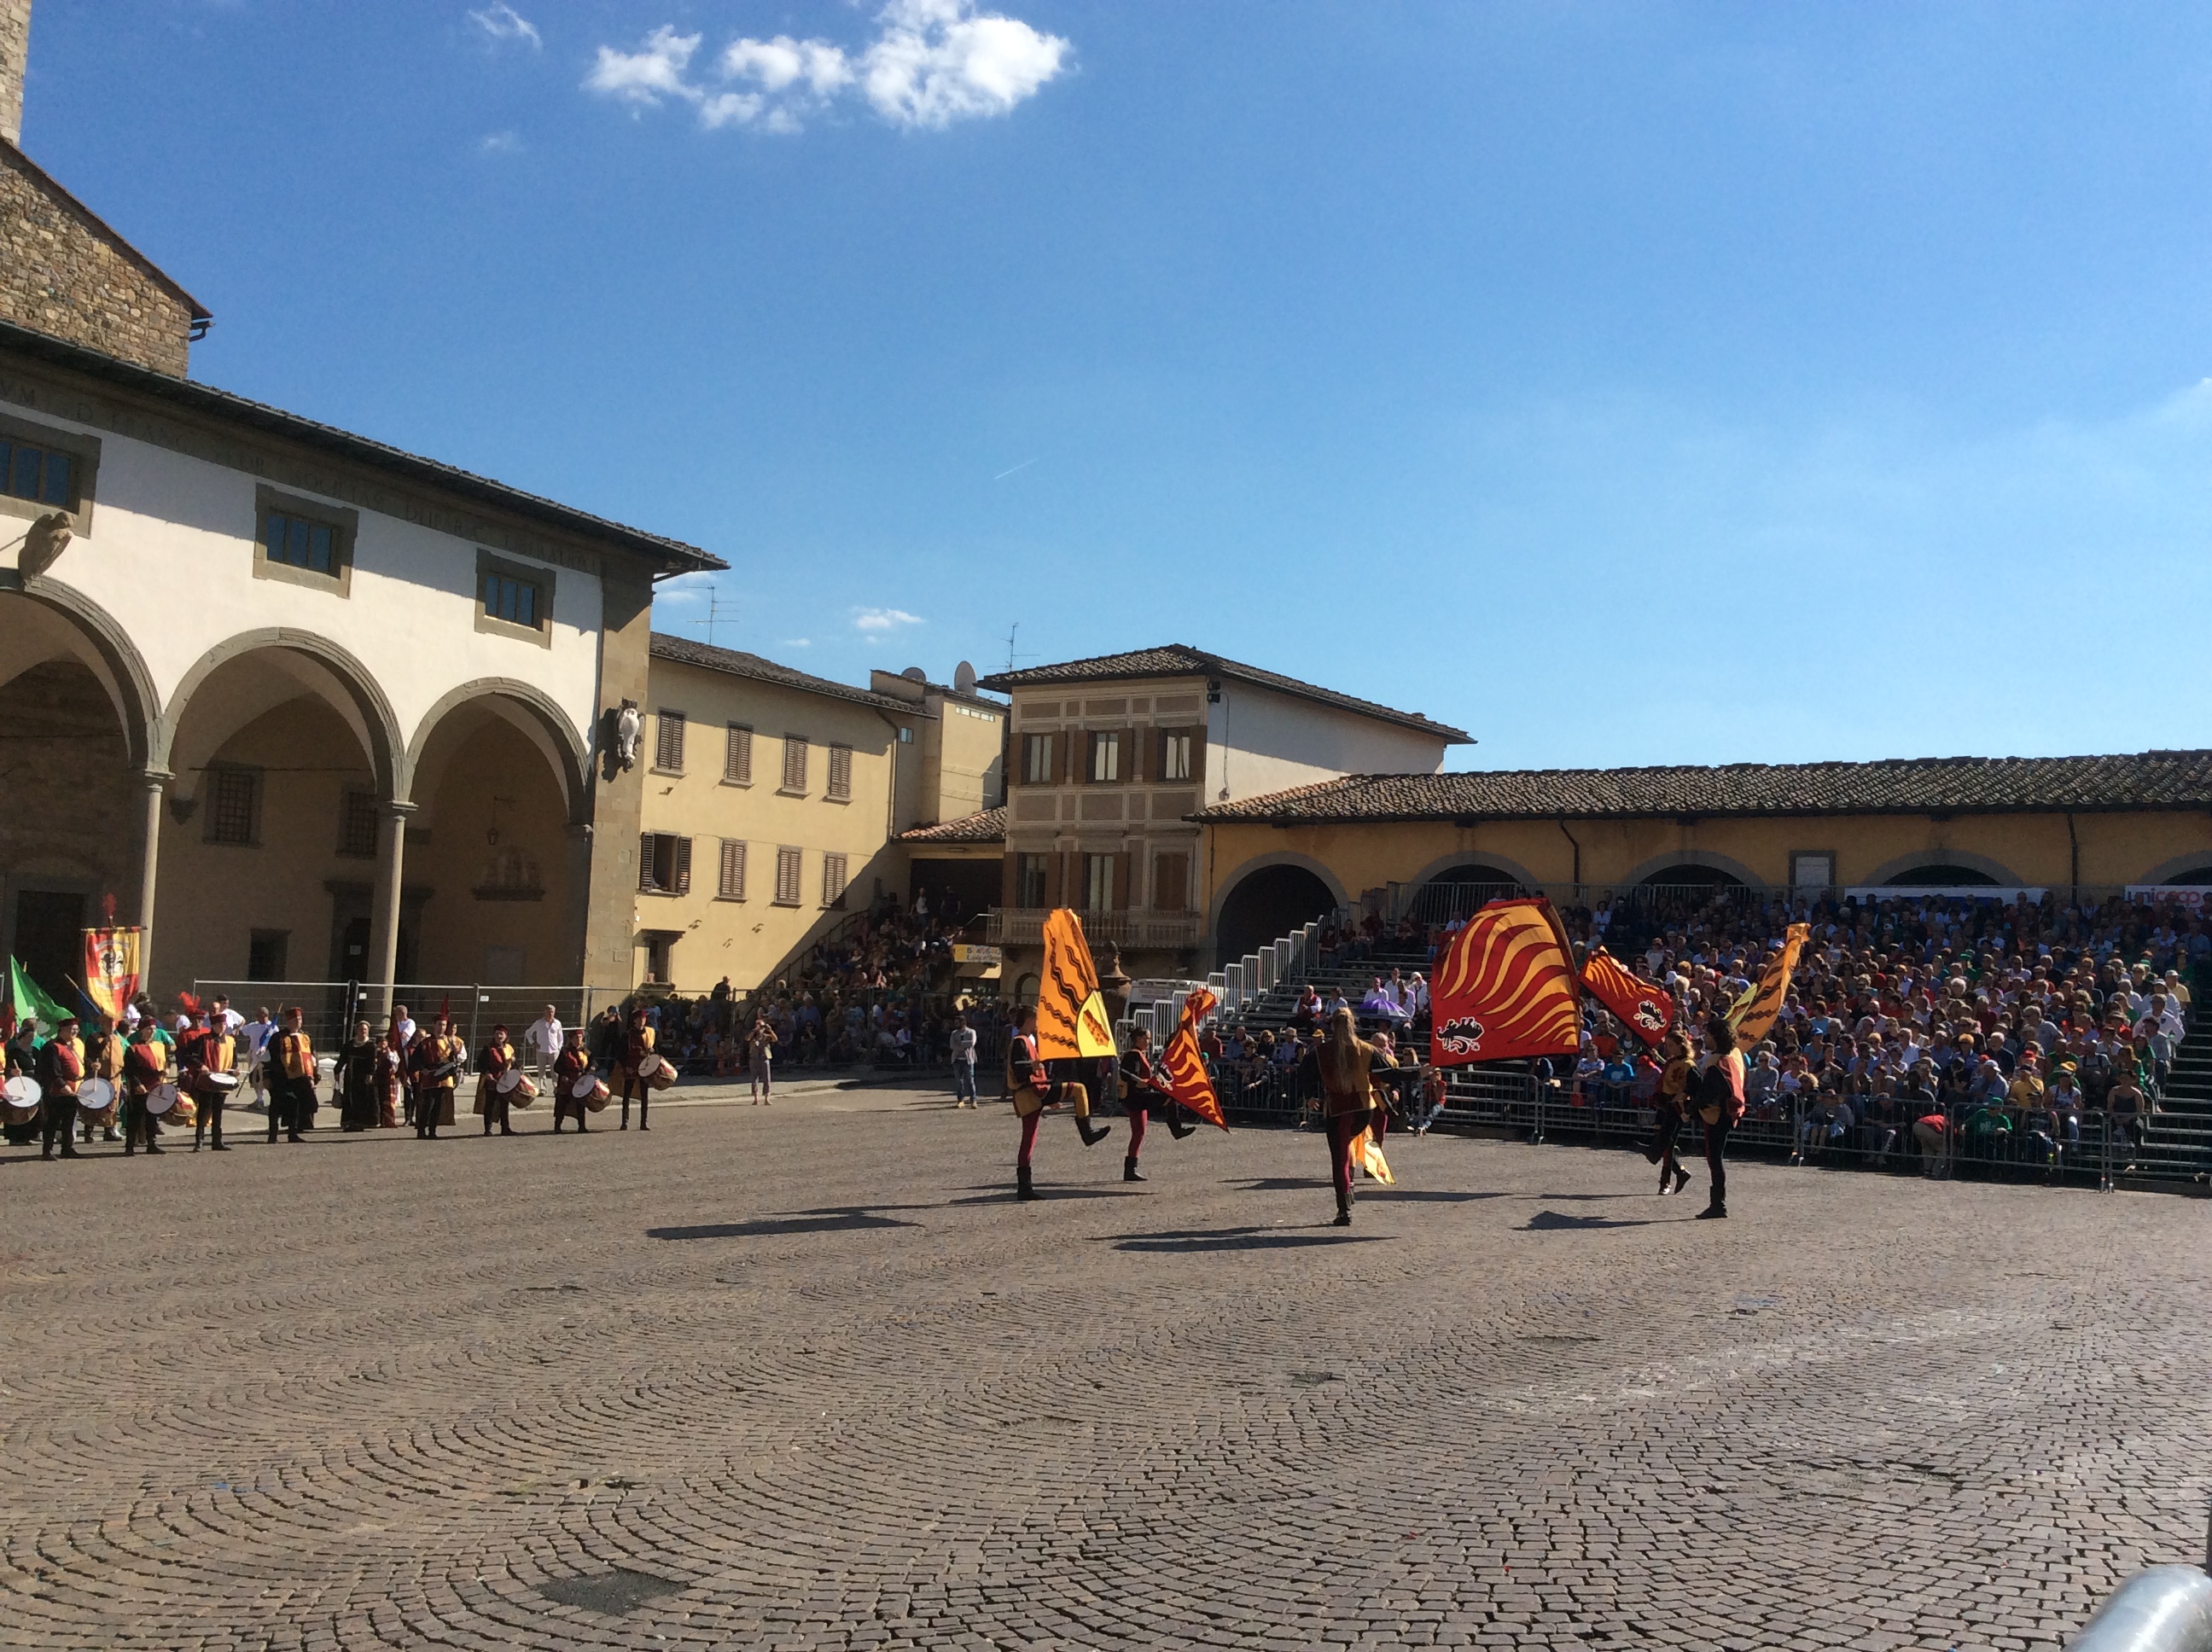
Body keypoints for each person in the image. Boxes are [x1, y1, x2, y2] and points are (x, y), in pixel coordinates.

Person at [1005, 1003, 1109, 1201]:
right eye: (1036, 1020)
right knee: (1079, 1089)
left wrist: (1047, 1096)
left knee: (1029, 1139)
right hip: (1032, 1093)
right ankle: (1087, 1132)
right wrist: (1036, 1072)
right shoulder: (1020, 1042)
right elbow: (1020, 1073)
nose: (1038, 1024)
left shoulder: (1024, 1041)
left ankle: (1024, 1187)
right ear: (1029, 1021)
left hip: (1035, 1093)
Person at [1317, 1007, 1394, 1226]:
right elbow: (1390, 1072)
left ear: (1333, 1025)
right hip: (1362, 1110)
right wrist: (1418, 1072)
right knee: (1348, 1143)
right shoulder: (1366, 1049)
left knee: (1339, 1158)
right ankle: (1348, 1186)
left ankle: (1344, 1208)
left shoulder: (1323, 1051)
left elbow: (1304, 1074)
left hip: (1337, 1109)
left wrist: (1311, 1096)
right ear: (1353, 1024)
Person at [1115, 1027, 1196, 1183]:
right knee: (1169, 1097)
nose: (1149, 1042)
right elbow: (1128, 1074)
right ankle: (1176, 1128)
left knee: (1139, 1133)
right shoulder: (1133, 1055)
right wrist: (1142, 1082)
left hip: (1138, 1097)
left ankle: (1130, 1170)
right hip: (1134, 1097)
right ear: (1138, 1039)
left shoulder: (1139, 1054)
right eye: (1147, 1038)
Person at [1692, 1014, 1746, 1219]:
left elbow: (1712, 1091)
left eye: (1707, 1034)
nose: (1704, 1038)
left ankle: (1718, 1204)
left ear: (1714, 1036)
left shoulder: (1718, 1061)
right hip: (1726, 1112)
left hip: (1717, 1113)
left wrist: (1692, 1107)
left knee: (1714, 1158)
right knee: (1715, 1157)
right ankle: (1717, 1203)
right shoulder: (1734, 1054)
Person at [1643, 1031, 1695, 1195]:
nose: (1668, 1048)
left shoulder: (1688, 1064)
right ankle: (1680, 1172)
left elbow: (1687, 1085)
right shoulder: (1672, 1061)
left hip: (1677, 1106)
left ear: (1680, 1045)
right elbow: (1668, 1072)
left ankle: (1665, 1181)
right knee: (1663, 1142)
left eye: (1671, 1045)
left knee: (1668, 1144)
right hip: (1664, 1103)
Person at [183, 1011, 236, 1151]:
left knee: (218, 1112)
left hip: (223, 1081)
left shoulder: (230, 1041)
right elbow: (191, 1056)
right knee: (203, 1111)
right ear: (213, 1026)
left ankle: (217, 1141)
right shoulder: (203, 1039)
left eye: (224, 1024)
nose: (223, 1026)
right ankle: (199, 1141)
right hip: (207, 1081)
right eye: (220, 1024)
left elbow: (234, 1061)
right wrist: (201, 1065)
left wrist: (234, 1071)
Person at [36, 1013, 85, 1160]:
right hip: (57, 1091)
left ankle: (67, 1148)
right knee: (53, 1121)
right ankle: (47, 1150)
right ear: (62, 1030)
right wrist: (62, 1085)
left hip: (72, 1090)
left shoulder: (70, 1047)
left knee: (69, 1121)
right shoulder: (52, 1047)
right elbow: (52, 1069)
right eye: (72, 1029)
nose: (75, 1032)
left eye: (76, 1029)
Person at [265, 1006, 316, 1144]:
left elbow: (311, 1058)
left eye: (300, 1019)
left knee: (295, 1106)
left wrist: (312, 1076)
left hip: (299, 1078)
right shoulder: (278, 1038)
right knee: (275, 1106)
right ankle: (272, 1135)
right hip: (280, 1077)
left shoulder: (305, 1037)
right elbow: (269, 1058)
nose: (299, 1022)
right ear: (289, 1022)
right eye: (296, 1019)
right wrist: (267, 1076)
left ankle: (292, 1134)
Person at [410, 1015, 464, 1140]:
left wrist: (455, 1059)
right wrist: (422, 1068)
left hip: (443, 1077)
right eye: (439, 1024)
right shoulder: (426, 1042)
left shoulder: (449, 1042)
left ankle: (433, 1130)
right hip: (430, 1076)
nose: (442, 1027)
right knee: (428, 1105)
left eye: (444, 1025)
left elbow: (454, 1059)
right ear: (434, 1026)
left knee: (438, 1106)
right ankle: (421, 1130)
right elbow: (415, 1059)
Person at [120, 1016, 168, 1155]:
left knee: (152, 1117)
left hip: (156, 1085)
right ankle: (129, 1146)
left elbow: (165, 1061)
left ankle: (152, 1144)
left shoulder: (159, 1046)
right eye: (149, 1029)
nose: (152, 1032)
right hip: (140, 1087)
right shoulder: (133, 1049)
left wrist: (166, 1069)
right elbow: (129, 1070)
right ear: (142, 1030)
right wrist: (137, 1084)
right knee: (135, 1117)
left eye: (153, 1029)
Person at [337, 1021, 380, 1132]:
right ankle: (350, 1121)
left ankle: (361, 1122)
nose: (364, 1032)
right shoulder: (349, 1045)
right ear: (357, 1031)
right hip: (351, 1075)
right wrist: (337, 1071)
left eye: (366, 1030)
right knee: (350, 1098)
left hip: (364, 1077)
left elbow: (372, 1062)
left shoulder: (371, 1046)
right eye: (362, 1030)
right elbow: (342, 1059)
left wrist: (370, 1075)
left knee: (362, 1099)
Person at [552, 1026, 596, 1133]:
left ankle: (582, 1126)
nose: (579, 1039)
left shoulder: (586, 1052)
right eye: (576, 1037)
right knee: (562, 1104)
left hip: (580, 1081)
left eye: (580, 1037)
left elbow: (593, 1063)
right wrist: (563, 1075)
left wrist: (592, 1069)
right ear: (571, 1040)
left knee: (580, 1105)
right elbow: (557, 1067)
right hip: (567, 1082)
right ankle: (557, 1127)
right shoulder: (565, 1051)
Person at [619, 1005, 656, 1131]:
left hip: (645, 1067)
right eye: (640, 1019)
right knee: (627, 1095)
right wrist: (626, 1067)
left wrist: (652, 1051)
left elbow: (654, 1051)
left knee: (644, 1095)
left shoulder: (650, 1033)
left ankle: (644, 1122)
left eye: (644, 1019)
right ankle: (625, 1122)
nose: (642, 1021)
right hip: (631, 1067)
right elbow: (620, 1053)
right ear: (635, 1020)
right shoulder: (627, 1035)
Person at [478, 1023, 519, 1136]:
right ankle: (488, 1129)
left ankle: (505, 1128)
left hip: (505, 1080)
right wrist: (487, 1073)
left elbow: (514, 1064)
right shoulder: (488, 1048)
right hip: (493, 1080)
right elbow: (480, 1064)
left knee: (504, 1105)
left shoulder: (509, 1048)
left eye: (501, 1034)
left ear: (506, 1036)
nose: (499, 1036)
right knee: (489, 1105)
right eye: (497, 1034)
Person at [242, 1005, 276, 1115]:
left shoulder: (273, 1028)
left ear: (265, 1015)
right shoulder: (253, 1026)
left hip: (265, 1057)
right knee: (254, 1078)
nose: (257, 1017)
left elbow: (274, 1042)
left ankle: (261, 1100)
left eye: (259, 1015)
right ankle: (258, 1098)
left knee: (262, 1078)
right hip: (253, 1055)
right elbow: (242, 1030)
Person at [523, 1004, 562, 1087]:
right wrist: (533, 1043)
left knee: (555, 1071)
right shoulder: (539, 1023)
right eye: (548, 1011)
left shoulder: (558, 1023)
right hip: (541, 1050)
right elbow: (528, 1033)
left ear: (554, 1013)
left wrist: (558, 1048)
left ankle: (556, 1088)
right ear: (545, 1012)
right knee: (541, 1071)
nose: (550, 1013)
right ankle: (543, 1089)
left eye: (552, 1012)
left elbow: (560, 1037)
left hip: (554, 1051)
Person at [949, 1012, 978, 1108]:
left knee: (970, 1080)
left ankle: (973, 1100)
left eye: (957, 1023)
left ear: (963, 1023)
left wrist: (960, 1044)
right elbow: (952, 1045)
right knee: (959, 1081)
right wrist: (963, 1045)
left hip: (968, 1060)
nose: (956, 1025)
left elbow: (972, 1043)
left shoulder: (971, 1032)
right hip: (957, 1060)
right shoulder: (954, 1033)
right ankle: (960, 1100)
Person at [747, 1013, 777, 1105]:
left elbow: (775, 1039)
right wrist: (754, 1031)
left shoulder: (766, 1036)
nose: (760, 1028)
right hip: (754, 1057)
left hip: (764, 1056)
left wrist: (770, 1031)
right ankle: (756, 1098)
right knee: (754, 1077)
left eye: (761, 1026)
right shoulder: (752, 1036)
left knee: (766, 1078)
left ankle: (767, 1098)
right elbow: (747, 1038)